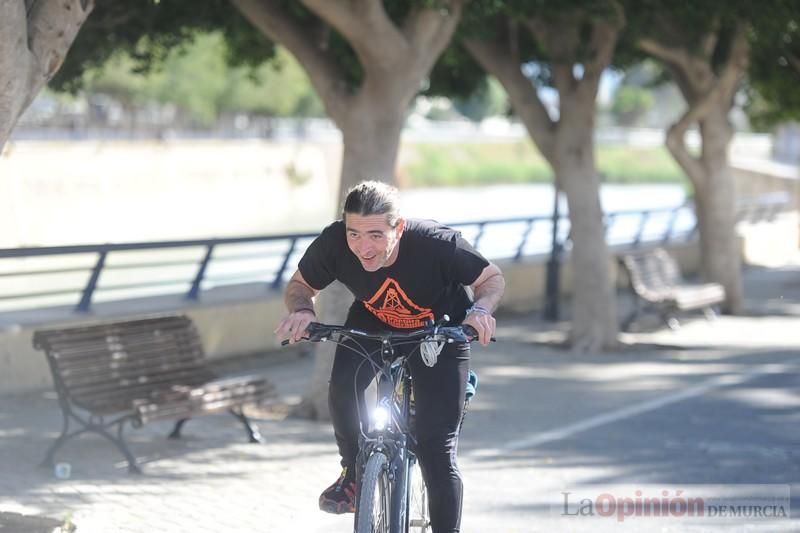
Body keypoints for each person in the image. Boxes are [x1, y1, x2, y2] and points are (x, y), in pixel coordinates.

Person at [275, 180, 504, 533]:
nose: (363, 248)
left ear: (399, 227)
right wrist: (303, 310)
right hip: (374, 320)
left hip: (439, 331)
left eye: (376, 235)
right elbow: (300, 286)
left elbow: (491, 278)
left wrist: (481, 310)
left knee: (435, 449)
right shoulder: (334, 243)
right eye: (354, 234)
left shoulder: (437, 244)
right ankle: (352, 473)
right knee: (341, 388)